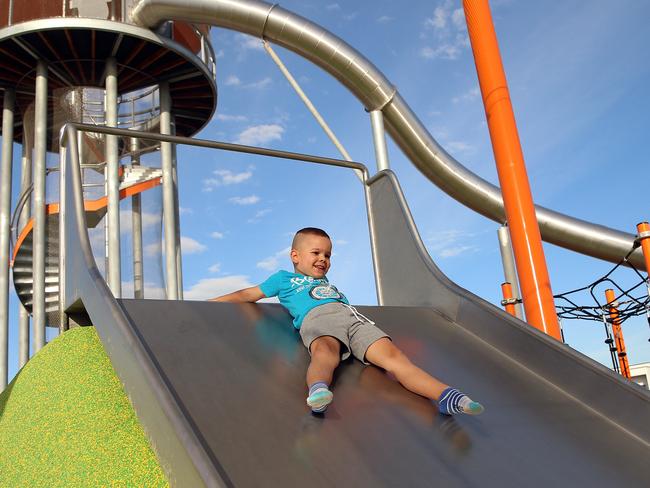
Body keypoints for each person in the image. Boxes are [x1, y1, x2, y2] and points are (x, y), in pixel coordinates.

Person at [210, 227, 484, 416]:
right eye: (315, 253)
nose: (323, 259)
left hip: (354, 320)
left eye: (327, 255)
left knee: (395, 358)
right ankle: (318, 391)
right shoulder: (283, 279)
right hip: (318, 321)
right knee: (324, 352)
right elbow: (249, 294)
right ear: (295, 256)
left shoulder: (327, 283)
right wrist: (208, 304)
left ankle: (446, 396)